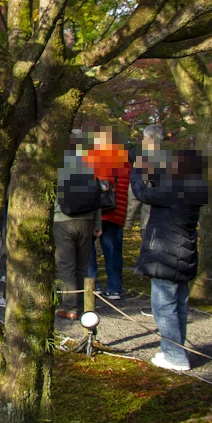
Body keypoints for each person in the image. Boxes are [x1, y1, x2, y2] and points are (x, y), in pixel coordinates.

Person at [132, 148, 207, 373]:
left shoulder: (177, 188)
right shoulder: (192, 187)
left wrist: (136, 171)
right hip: (183, 254)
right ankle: (175, 350)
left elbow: (143, 193)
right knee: (178, 305)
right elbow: (161, 183)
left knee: (163, 306)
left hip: (165, 254)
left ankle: (174, 355)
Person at [53, 133, 102, 320]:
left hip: (62, 220)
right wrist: (97, 224)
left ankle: (70, 307)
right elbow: (96, 197)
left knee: (66, 266)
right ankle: (83, 303)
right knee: (83, 264)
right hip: (87, 219)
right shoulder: (89, 166)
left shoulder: (58, 165)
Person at [87, 127, 130, 301]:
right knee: (113, 251)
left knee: (88, 251)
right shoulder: (123, 159)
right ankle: (114, 288)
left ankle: (92, 286)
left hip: (93, 210)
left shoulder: (90, 157)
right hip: (116, 210)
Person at [126, 124, 166, 234]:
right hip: (170, 220)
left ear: (148, 139)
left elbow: (135, 193)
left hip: (150, 219)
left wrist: (128, 220)